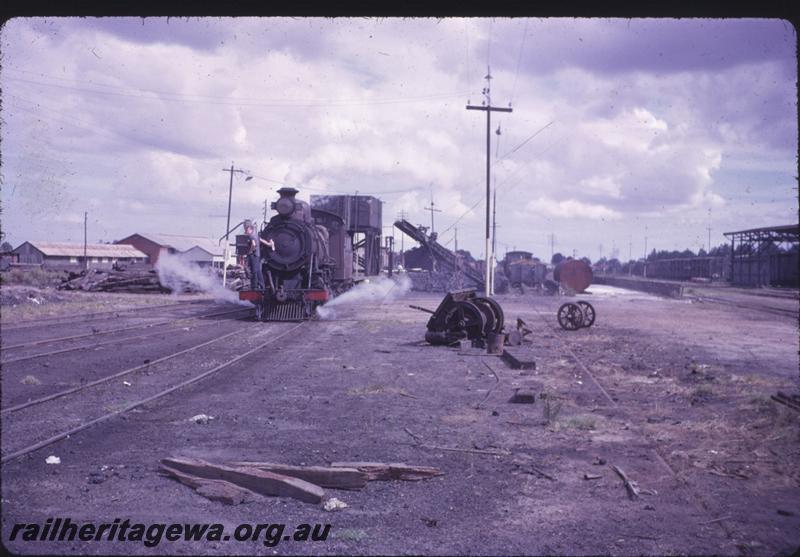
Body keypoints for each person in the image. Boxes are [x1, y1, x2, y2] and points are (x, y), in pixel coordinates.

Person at [244, 220, 271, 290]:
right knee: (258, 271)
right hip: (257, 256)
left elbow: (253, 244)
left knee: (254, 271)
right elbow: (262, 241)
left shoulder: (251, 236)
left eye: (246, 229)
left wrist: (249, 251)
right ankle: (262, 286)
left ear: (250, 228)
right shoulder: (256, 235)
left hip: (253, 255)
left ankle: (254, 286)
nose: (245, 231)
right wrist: (269, 244)